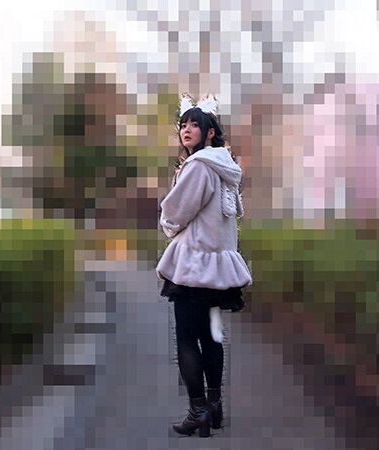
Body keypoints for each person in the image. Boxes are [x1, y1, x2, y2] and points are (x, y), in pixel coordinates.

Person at [156, 94, 252, 437]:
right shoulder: (225, 168)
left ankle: (198, 411)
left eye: (195, 124)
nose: (186, 130)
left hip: (194, 267)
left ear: (210, 132)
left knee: (186, 338)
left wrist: (169, 227)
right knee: (212, 337)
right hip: (218, 268)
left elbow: (176, 212)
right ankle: (214, 406)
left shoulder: (198, 166)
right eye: (183, 124)